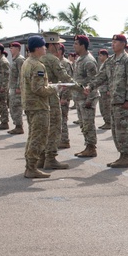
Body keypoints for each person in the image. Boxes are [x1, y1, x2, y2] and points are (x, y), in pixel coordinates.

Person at [87, 34, 128, 168]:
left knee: (124, 130)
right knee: (115, 130)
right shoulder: (110, 61)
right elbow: (101, 76)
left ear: (123, 44)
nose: (113, 44)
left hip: (124, 102)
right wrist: (90, 87)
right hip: (114, 101)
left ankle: (126, 157)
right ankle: (121, 155)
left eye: (116, 42)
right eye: (112, 42)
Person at [20, 35, 56, 179]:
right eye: (43, 46)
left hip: (30, 105)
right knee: (38, 137)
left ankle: (30, 166)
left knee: (32, 136)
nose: (45, 48)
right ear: (37, 48)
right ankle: (31, 168)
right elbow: (39, 89)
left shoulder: (27, 62)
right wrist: (55, 89)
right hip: (38, 106)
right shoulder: (38, 65)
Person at [38, 33, 72, 171]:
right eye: (57, 44)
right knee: (54, 128)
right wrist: (82, 89)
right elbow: (65, 78)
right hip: (51, 97)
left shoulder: (35, 59)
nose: (59, 47)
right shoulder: (52, 59)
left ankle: (42, 158)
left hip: (39, 98)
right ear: (51, 44)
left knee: (42, 129)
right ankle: (50, 159)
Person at [71, 35, 99, 158]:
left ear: (83, 45)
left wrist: (90, 99)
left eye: (76, 43)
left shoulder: (89, 61)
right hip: (79, 98)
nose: (74, 46)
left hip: (86, 99)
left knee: (88, 124)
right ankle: (87, 146)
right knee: (83, 124)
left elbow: (93, 82)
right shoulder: (79, 59)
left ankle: (91, 147)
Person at [7, 42, 25, 133]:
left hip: (17, 88)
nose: (10, 49)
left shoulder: (20, 60)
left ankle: (19, 126)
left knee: (17, 107)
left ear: (18, 48)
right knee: (13, 106)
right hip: (13, 87)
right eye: (10, 48)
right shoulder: (15, 60)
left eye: (12, 48)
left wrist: (19, 87)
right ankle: (17, 125)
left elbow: (21, 75)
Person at [97, 49, 112, 130]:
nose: (99, 57)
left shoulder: (108, 64)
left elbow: (110, 77)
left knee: (106, 107)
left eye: (101, 55)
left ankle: (109, 122)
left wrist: (109, 89)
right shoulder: (103, 64)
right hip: (102, 89)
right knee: (102, 107)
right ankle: (106, 122)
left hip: (106, 90)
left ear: (105, 56)